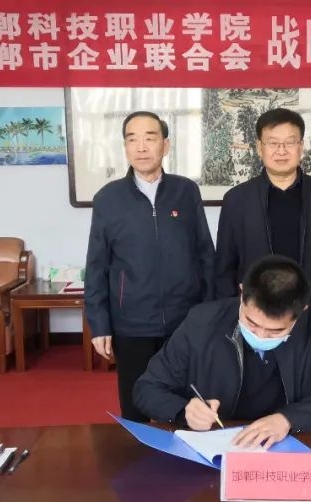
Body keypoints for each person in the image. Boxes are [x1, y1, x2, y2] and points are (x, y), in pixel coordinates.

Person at [134, 255, 311, 448]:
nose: (261, 335)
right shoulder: (201, 323)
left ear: (302, 311)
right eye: (251, 323)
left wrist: (287, 419)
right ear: (242, 293)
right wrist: (184, 411)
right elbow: (147, 388)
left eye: (275, 331)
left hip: (286, 446)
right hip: (217, 444)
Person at [85, 111, 215, 422]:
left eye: (150, 138)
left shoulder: (186, 191)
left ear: (165, 145)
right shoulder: (108, 198)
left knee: (187, 408)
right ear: (125, 147)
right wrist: (99, 324)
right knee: (137, 407)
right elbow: (97, 265)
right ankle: (138, 453)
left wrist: (212, 314)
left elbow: (205, 255)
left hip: (185, 321)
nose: (141, 147)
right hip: (132, 323)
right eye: (133, 139)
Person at [215, 108, 311, 342]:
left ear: (301, 146)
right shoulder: (236, 199)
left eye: (289, 142)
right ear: (259, 148)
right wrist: (229, 320)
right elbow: (225, 268)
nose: (281, 150)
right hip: (256, 322)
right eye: (273, 143)